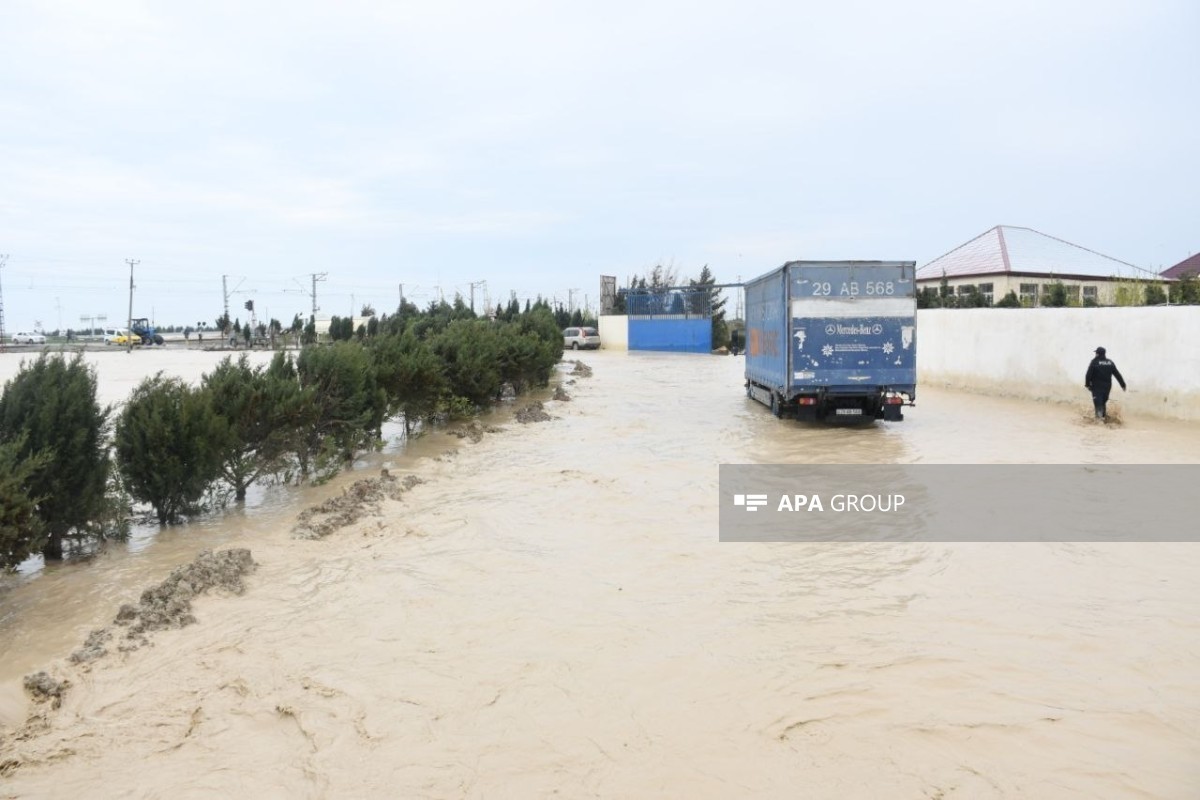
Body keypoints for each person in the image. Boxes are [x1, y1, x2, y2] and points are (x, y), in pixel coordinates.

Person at [1084, 346, 1126, 420]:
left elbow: (1088, 375)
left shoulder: (1094, 362)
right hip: (1107, 387)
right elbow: (1117, 374)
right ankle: (1104, 420)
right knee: (1103, 403)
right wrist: (1123, 385)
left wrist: (1087, 385)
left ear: (1097, 354)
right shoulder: (1110, 362)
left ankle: (1099, 423)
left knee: (1098, 404)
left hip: (1097, 387)